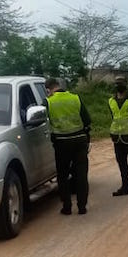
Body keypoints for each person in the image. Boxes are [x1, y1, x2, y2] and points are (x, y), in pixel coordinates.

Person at [45, 77, 91, 215]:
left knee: (63, 175)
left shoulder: (48, 102)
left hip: (62, 143)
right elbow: (87, 120)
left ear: (48, 90)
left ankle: (67, 207)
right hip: (79, 141)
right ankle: (82, 207)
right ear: (59, 85)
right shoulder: (75, 98)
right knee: (81, 174)